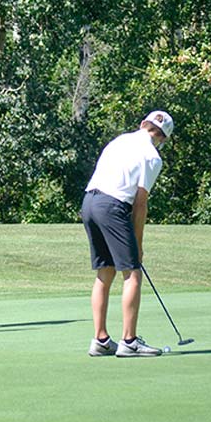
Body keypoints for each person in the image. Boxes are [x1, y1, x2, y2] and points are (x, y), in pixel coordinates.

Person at [81, 110, 174, 357]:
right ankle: (129, 341)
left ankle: (100, 340)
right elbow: (140, 203)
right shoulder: (152, 157)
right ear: (163, 138)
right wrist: (138, 244)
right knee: (132, 272)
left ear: (143, 124)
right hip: (112, 205)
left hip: (89, 203)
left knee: (105, 270)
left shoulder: (119, 140)